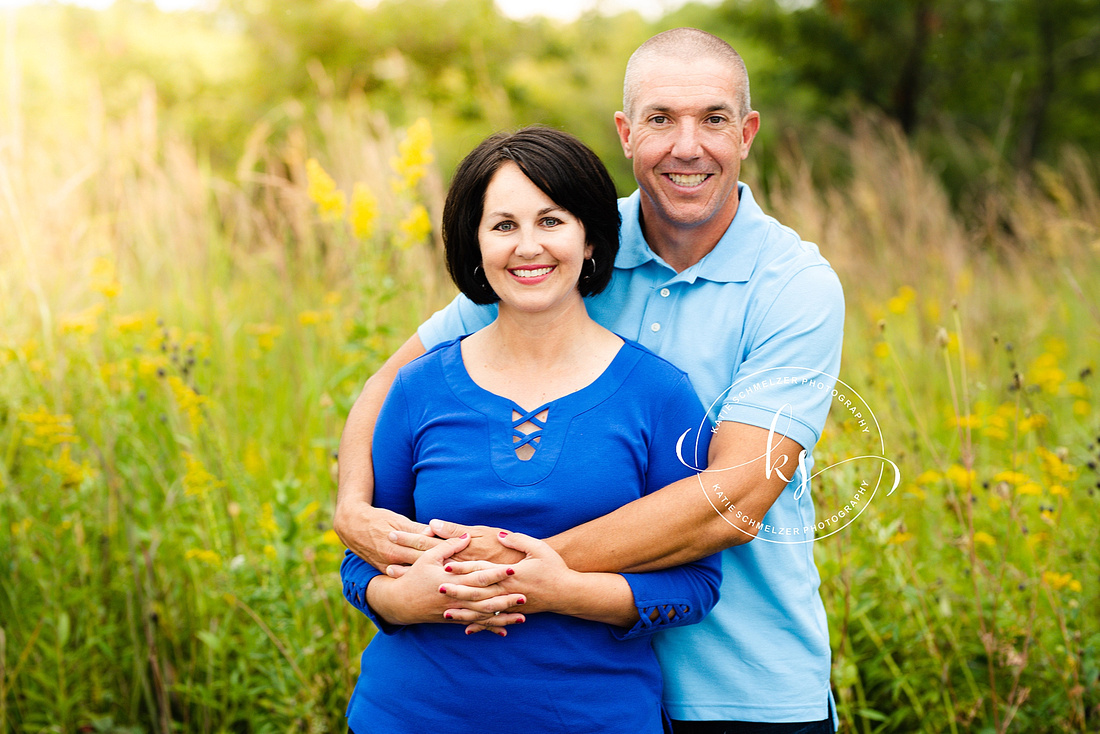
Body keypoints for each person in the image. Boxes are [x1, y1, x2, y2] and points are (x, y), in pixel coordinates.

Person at [336, 28, 845, 733]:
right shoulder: (562, 241)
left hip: (742, 679)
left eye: (714, 119)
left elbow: (737, 494)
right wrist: (353, 510)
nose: (688, 146)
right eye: (661, 119)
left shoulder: (793, 286)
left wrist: (501, 574)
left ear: (748, 133)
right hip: (586, 685)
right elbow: (391, 383)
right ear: (626, 133)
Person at [339, 126, 722, 733]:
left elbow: (696, 586)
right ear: (475, 242)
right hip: (408, 715)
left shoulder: (661, 395)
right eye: (504, 225)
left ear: (591, 238)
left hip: (596, 718)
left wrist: (562, 590)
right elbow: (362, 559)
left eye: (551, 221)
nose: (528, 247)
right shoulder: (418, 388)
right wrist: (402, 600)